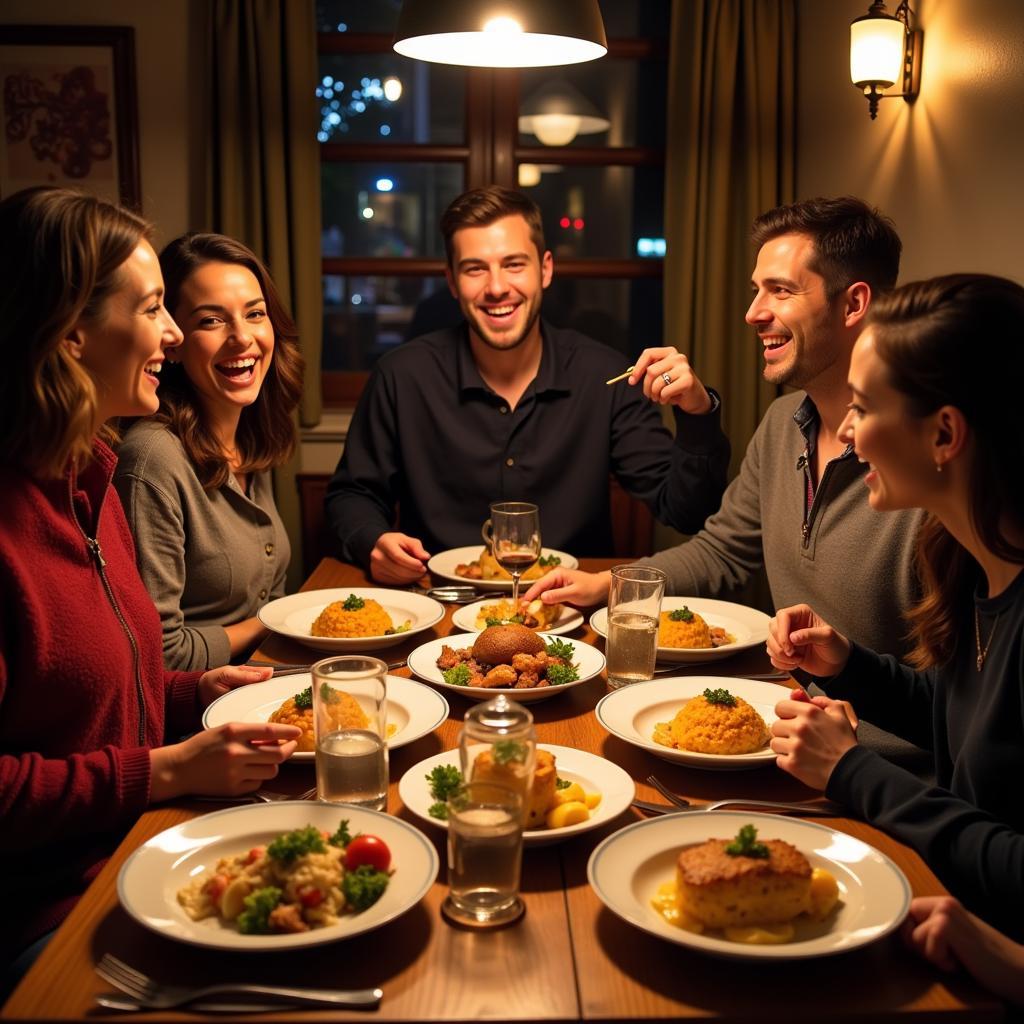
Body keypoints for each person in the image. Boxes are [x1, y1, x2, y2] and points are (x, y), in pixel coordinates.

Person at [0, 189, 301, 977]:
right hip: (50, 910)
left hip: (144, 843)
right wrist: (164, 770)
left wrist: (193, 692)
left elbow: (100, 691)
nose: (172, 335)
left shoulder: (87, 474)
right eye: (157, 309)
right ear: (70, 334)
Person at [527, 196, 925, 661]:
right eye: (756, 290)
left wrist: (859, 729)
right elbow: (722, 552)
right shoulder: (782, 423)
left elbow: (959, 698)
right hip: (785, 702)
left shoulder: (927, 460)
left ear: (854, 303)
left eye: (780, 290)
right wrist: (611, 585)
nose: (753, 313)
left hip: (862, 730)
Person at [766, 274, 1024, 947]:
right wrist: (851, 668)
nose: (846, 434)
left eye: (862, 406)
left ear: (945, 434)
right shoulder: (971, 563)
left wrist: (852, 771)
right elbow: (977, 729)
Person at [325, 185, 731, 585]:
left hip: (570, 619)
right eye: (475, 268)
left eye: (514, 264)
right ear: (452, 281)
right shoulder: (402, 375)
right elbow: (352, 495)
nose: (497, 286)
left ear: (546, 269)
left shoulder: (603, 375)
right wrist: (372, 541)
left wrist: (697, 414)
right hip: (441, 607)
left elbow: (686, 511)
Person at [114, 234, 303, 670]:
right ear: (173, 341)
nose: (242, 338)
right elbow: (159, 655)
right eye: (212, 321)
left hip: (261, 674)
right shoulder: (151, 459)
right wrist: (272, 622)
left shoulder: (252, 434)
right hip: (196, 711)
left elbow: (270, 594)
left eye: (255, 314)